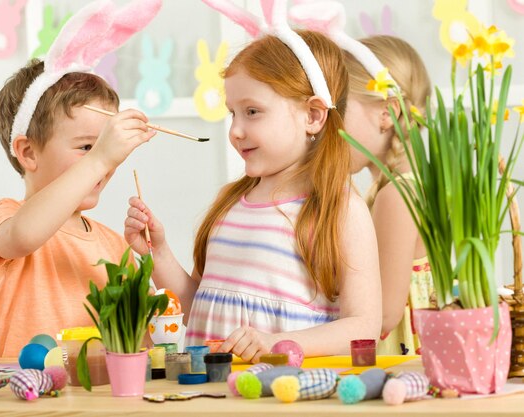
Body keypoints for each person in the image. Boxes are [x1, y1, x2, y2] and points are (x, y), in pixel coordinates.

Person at [125, 30, 381, 362]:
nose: (235, 130)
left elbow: (363, 326)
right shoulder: (230, 205)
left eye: (253, 112)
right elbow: (201, 307)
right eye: (233, 112)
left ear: (313, 115)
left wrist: (276, 343)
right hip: (210, 397)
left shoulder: (340, 211)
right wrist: (158, 254)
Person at [0, 58, 155, 357]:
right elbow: (24, 235)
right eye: (87, 147)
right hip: (25, 397)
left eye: (107, 148)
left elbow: (141, 343)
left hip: (98, 399)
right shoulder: (6, 216)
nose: (106, 162)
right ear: (28, 153)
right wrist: (100, 158)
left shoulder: (115, 246)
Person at [344, 35, 433, 355]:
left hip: (398, 360)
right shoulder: (403, 186)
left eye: (338, 108)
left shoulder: (397, 195)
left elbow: (383, 314)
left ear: (387, 113)